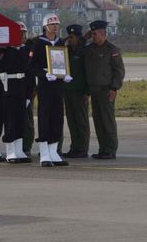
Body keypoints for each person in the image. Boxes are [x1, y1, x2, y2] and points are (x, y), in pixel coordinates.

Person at [27, 14, 71, 167]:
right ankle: (44, 153)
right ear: (45, 26)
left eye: (57, 24)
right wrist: (44, 74)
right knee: (45, 116)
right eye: (52, 25)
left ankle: (54, 151)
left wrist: (66, 74)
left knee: (57, 116)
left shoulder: (60, 42)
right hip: (46, 83)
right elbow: (32, 65)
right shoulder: (38, 43)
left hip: (58, 84)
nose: (55, 27)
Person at [84, 20, 125, 159]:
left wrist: (114, 88)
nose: (93, 36)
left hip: (106, 90)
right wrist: (85, 37)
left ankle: (111, 149)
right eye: (92, 34)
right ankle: (103, 148)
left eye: (95, 34)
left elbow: (119, 71)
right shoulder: (90, 49)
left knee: (107, 121)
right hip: (94, 90)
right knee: (98, 121)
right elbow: (76, 50)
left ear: (103, 34)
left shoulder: (112, 50)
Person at [0, 21, 33, 163]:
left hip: (22, 88)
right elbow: (0, 68)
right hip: (9, 88)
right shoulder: (5, 51)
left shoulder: (25, 50)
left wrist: (29, 94)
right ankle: (11, 151)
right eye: (19, 33)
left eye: (23, 33)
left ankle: (19, 150)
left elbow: (29, 73)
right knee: (10, 120)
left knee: (20, 121)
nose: (22, 36)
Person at [62, 24, 90, 159]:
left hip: (80, 92)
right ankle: (75, 147)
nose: (70, 40)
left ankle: (82, 148)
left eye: (72, 37)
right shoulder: (66, 51)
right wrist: (64, 39)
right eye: (70, 37)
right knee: (72, 121)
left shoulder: (84, 51)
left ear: (79, 38)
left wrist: (87, 92)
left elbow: (89, 74)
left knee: (81, 121)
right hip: (68, 91)